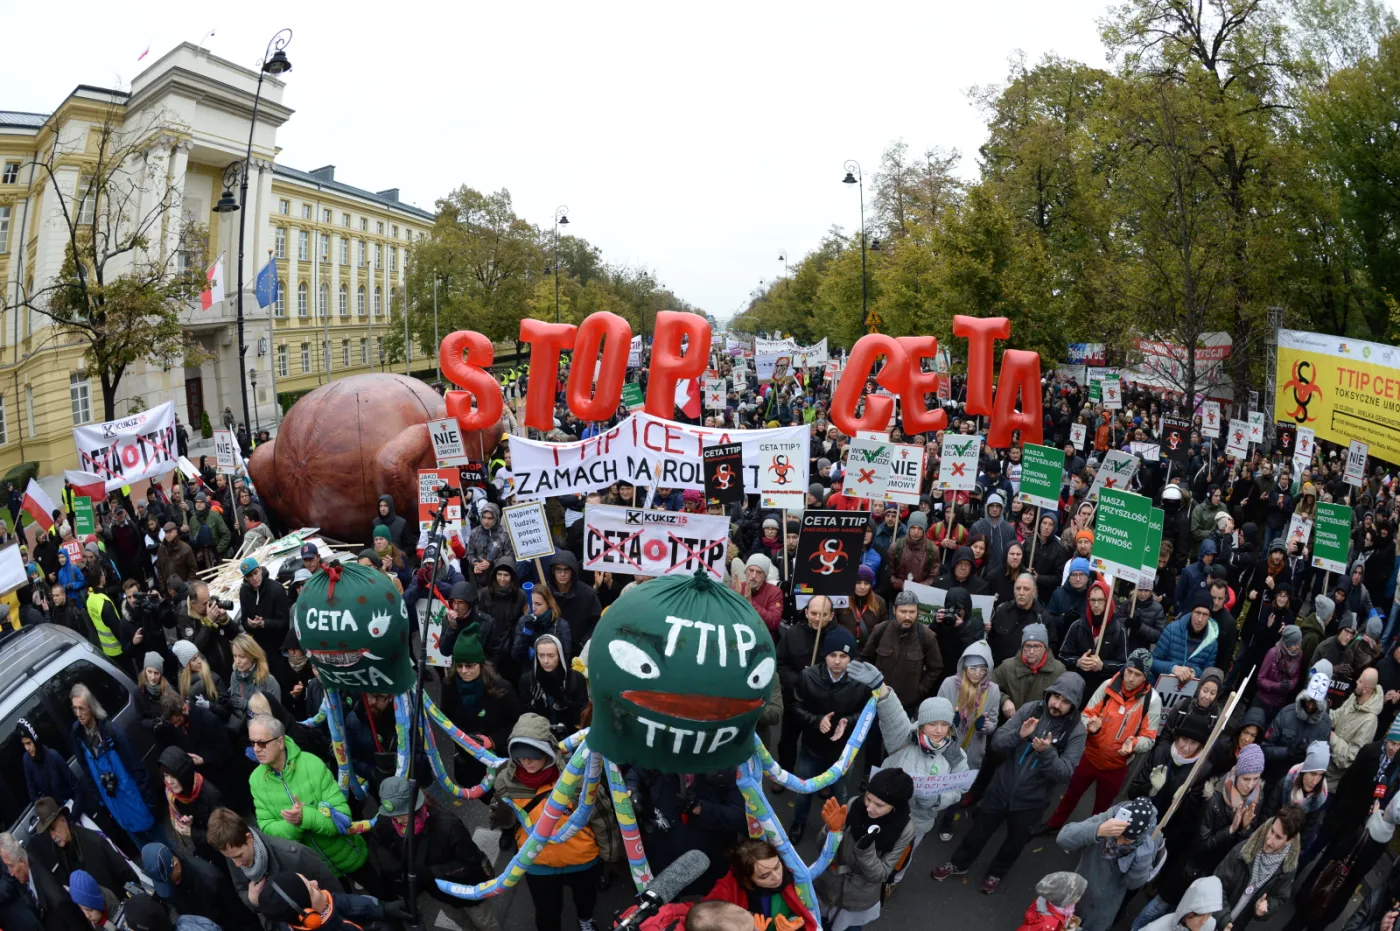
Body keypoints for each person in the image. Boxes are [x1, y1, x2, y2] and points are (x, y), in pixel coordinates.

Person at [932, 671, 1086, 893]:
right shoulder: (1031, 709)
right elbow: (997, 742)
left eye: (1065, 702)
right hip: (1001, 788)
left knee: (1015, 843)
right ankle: (959, 863)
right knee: (979, 830)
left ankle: (996, 874)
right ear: (1049, 693)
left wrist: (1046, 753)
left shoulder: (1076, 731)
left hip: (1032, 802)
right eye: (1056, 697)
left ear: (1074, 706)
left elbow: (1064, 773)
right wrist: (1020, 735)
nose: (1057, 704)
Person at [491, 714, 615, 931]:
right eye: (519, 757)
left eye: (532, 755)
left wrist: (610, 854)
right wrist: (500, 812)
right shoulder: (506, 781)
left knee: (586, 900)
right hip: (538, 864)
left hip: (582, 860)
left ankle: (585, 919)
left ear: (547, 751)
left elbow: (602, 817)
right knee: (547, 913)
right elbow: (506, 820)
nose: (526, 762)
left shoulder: (577, 778)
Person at [1134, 745, 1266, 931]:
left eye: (1255, 779)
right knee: (1158, 909)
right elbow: (1200, 843)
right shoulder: (1215, 798)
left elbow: (1240, 850)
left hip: (1211, 876)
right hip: (1191, 868)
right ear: (1237, 774)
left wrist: (1244, 830)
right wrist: (1232, 829)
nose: (1251, 785)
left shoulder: (1255, 801)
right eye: (1246, 778)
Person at [246, 715, 372, 890]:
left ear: (280, 742)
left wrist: (305, 817)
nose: (256, 749)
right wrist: (294, 825)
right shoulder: (256, 780)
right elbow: (267, 829)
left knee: (384, 898)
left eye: (262, 743)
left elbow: (342, 817)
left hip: (348, 853)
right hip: (315, 870)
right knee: (344, 911)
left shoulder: (311, 764)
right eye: (252, 743)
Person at [1045, 649, 1161, 831]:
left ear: (1145, 677)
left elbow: (1149, 738)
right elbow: (1086, 714)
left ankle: (1092, 837)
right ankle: (1053, 825)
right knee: (1071, 794)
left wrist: (1134, 744)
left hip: (1117, 766)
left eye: (1137, 675)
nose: (1130, 678)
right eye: (1129, 671)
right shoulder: (1108, 685)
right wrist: (1090, 727)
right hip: (1089, 756)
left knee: (1102, 809)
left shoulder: (1152, 701)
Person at [788, 628, 880, 843]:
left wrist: (847, 722)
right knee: (804, 792)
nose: (837, 661)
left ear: (851, 658)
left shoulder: (861, 681)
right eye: (832, 655)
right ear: (824, 656)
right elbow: (795, 707)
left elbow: (869, 713)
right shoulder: (808, 676)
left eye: (844, 656)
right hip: (812, 748)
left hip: (843, 752)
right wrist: (817, 720)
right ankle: (799, 822)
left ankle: (837, 827)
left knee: (840, 794)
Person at [369, 777, 495, 923]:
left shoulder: (449, 826)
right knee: (460, 921)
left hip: (466, 889)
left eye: (402, 814)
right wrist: (392, 866)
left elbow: (469, 864)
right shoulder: (389, 821)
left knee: (484, 922)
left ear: (416, 807)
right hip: (438, 893)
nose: (397, 821)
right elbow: (376, 838)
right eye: (393, 815)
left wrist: (430, 873)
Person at [813, 769, 916, 931]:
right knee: (816, 923)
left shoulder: (904, 830)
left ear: (896, 806)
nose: (869, 808)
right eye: (868, 798)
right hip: (829, 885)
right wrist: (830, 831)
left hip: (857, 898)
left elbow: (880, 875)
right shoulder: (855, 803)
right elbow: (821, 848)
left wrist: (866, 850)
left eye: (879, 805)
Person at [207, 807, 343, 917]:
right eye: (231, 858)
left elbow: (336, 895)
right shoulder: (232, 852)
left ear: (249, 838)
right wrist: (252, 901)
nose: (237, 864)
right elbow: (241, 888)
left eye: (239, 856)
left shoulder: (296, 856)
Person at [71, 683, 160, 850]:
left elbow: (136, 767)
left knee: (161, 845)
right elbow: (87, 771)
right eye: (74, 708)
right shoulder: (77, 734)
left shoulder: (110, 730)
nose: (78, 714)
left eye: (82, 708)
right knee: (145, 852)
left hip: (133, 800)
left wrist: (150, 802)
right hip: (116, 805)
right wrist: (101, 800)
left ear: (91, 707)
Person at [1056, 798, 1160, 931]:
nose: (1120, 843)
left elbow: (1133, 884)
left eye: (1127, 840)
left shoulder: (1151, 840)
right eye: (1118, 836)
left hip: (1102, 910)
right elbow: (1063, 839)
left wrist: (1142, 861)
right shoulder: (1109, 818)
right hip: (1076, 895)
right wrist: (1098, 830)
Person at [441, 623, 522, 790]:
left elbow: (516, 722)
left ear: (481, 664)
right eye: (459, 665)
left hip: (498, 756)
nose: (464, 671)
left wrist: (492, 740)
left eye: (470, 666)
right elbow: (446, 718)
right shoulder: (449, 685)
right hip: (468, 755)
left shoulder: (501, 688)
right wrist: (464, 738)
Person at [26, 797, 137, 902]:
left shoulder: (92, 842)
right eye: (49, 832)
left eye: (53, 829)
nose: (53, 836)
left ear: (63, 821)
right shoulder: (58, 849)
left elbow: (125, 873)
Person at [1213, 807, 1304, 931]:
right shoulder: (1244, 850)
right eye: (1272, 831)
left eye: (1278, 837)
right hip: (1212, 917)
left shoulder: (1287, 869)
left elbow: (1279, 897)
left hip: (1237, 924)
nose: (1270, 841)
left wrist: (1266, 907)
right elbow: (1216, 884)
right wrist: (1224, 920)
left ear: (1289, 841)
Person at [143, 838, 258, 930]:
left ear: (175, 864)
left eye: (170, 880)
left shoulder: (210, 879)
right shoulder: (169, 879)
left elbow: (239, 913)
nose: (171, 886)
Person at [703, 837, 817, 928]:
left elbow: (803, 909)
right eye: (764, 876)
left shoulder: (794, 874)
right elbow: (700, 918)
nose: (777, 877)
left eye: (777, 866)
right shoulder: (727, 890)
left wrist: (793, 923)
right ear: (747, 880)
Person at [860, 590, 943, 712]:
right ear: (894, 610)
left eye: (912, 612)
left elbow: (936, 667)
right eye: (903, 612)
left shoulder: (926, 636)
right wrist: (872, 685)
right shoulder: (880, 630)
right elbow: (866, 659)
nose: (907, 617)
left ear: (917, 612)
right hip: (878, 700)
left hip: (907, 706)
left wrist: (919, 690)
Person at [255, 869, 410, 931]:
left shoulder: (322, 908)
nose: (316, 883)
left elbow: (343, 903)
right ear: (310, 916)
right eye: (310, 888)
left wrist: (381, 909)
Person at [0, 831, 90, 930]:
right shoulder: (27, 869)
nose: (11, 873)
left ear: (21, 861)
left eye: (11, 866)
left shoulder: (56, 901)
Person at [1057, 579, 1127, 696]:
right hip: (1078, 687)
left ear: (1108, 601)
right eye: (1092, 600)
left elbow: (1124, 665)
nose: (1096, 605)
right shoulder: (1077, 626)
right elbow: (1061, 656)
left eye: (1100, 600)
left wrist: (1103, 665)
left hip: (1105, 690)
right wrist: (1078, 662)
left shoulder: (1120, 630)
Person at [1260, 672, 1333, 786]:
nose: (1310, 706)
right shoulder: (1286, 713)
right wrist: (1286, 753)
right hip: (1276, 775)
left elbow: (1324, 759)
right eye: (1308, 701)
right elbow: (1265, 747)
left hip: (1301, 782)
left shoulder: (1325, 725)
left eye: (1315, 704)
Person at [159, 745, 226, 865]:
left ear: (184, 774)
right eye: (165, 776)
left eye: (173, 775)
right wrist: (185, 822)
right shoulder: (174, 794)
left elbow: (222, 835)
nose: (169, 782)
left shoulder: (211, 794)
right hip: (202, 846)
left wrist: (192, 832)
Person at [519, 632, 588, 735]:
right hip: (539, 736)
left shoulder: (576, 679)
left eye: (551, 656)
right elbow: (523, 718)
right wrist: (535, 704)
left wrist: (564, 701)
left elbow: (582, 716)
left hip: (570, 737)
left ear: (559, 655)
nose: (546, 661)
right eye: (541, 655)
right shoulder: (528, 680)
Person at [18, 717, 84, 817]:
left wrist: (72, 816)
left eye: (29, 743)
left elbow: (76, 787)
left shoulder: (53, 756)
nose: (27, 748)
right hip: (54, 817)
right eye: (24, 744)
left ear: (35, 739)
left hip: (71, 810)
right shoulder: (27, 760)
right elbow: (32, 793)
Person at [987, 572, 1048, 666]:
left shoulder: (1043, 618)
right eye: (1018, 588)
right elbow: (991, 641)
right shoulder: (1001, 610)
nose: (1021, 593)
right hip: (1000, 670)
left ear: (1034, 591)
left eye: (1026, 589)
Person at [1152, 604, 1219, 683]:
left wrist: (1196, 672)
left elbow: (1208, 675)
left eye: (1205, 614)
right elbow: (1153, 662)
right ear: (1191, 613)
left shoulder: (1212, 643)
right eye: (1197, 613)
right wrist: (1173, 668)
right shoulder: (1171, 630)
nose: (1200, 619)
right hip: (1161, 686)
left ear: (1209, 617)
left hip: (1190, 691)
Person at [511, 585, 573, 664]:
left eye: (538, 604)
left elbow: (565, 656)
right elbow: (516, 655)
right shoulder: (523, 621)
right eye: (531, 603)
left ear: (548, 605)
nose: (533, 608)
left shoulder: (561, 625)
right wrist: (526, 633)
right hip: (530, 672)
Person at [1016, 871, 1089, 931]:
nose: (1080, 896)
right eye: (1078, 895)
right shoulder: (1044, 923)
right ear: (1067, 900)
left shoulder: (1060, 906)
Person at [837, 565, 887, 644]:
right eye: (858, 582)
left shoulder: (879, 602)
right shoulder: (841, 600)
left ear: (870, 585)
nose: (862, 587)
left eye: (866, 583)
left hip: (869, 648)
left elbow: (884, 628)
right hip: (844, 646)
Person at [736, 554, 783, 636]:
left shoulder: (774, 592)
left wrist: (750, 603)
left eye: (759, 572)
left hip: (763, 641)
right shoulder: (737, 588)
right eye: (751, 570)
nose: (754, 576)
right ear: (745, 571)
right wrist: (734, 598)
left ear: (765, 575)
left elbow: (774, 622)